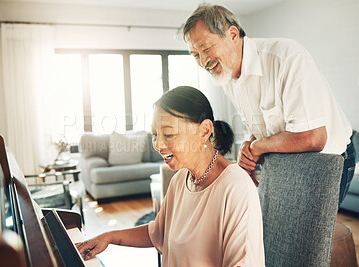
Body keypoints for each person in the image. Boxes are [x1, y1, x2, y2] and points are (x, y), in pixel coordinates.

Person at [183, 4, 355, 206]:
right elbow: (264, 127)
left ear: (232, 34)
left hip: (330, 161)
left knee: (307, 236)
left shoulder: (286, 57)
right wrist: (249, 146)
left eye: (205, 48)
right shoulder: (227, 78)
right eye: (195, 55)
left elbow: (313, 137)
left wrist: (257, 147)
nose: (203, 61)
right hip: (287, 164)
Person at [77, 86, 265, 266]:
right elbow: (158, 233)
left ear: (204, 131)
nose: (158, 144)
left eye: (168, 134)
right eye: (155, 134)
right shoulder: (180, 179)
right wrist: (110, 236)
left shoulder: (235, 186)